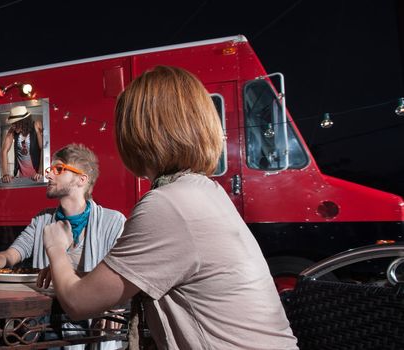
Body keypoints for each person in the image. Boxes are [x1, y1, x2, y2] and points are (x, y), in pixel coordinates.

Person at [41, 66, 298, 349]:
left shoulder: (167, 204)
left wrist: (55, 247)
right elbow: (116, 284)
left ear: (138, 133)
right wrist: (72, 274)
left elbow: (79, 302)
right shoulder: (206, 191)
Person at [0, 143, 126, 349]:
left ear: (81, 179)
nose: (48, 175)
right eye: (49, 169)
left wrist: (115, 306)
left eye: (58, 169)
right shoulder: (43, 219)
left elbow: (124, 274)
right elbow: (15, 252)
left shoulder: (112, 222)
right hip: (48, 324)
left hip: (94, 327)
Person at [0, 105, 44, 183]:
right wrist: (5, 174)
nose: (12, 125)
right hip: (21, 177)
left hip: (37, 176)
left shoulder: (36, 125)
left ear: (23, 121)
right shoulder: (12, 131)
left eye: (14, 123)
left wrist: (40, 172)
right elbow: (4, 151)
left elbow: (43, 149)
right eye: (12, 123)